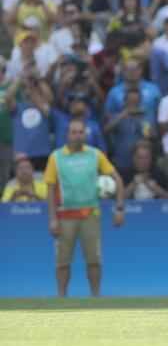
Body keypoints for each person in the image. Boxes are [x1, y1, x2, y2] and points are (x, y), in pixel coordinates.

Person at [44, 118, 125, 297]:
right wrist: (52, 219)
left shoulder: (95, 155)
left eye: (81, 132)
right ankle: (61, 298)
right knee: (62, 262)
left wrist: (119, 209)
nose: (77, 135)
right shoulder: (56, 158)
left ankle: (95, 297)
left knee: (94, 260)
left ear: (86, 134)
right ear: (67, 135)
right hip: (64, 216)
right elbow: (50, 189)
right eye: (74, 132)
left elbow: (117, 179)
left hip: (90, 214)